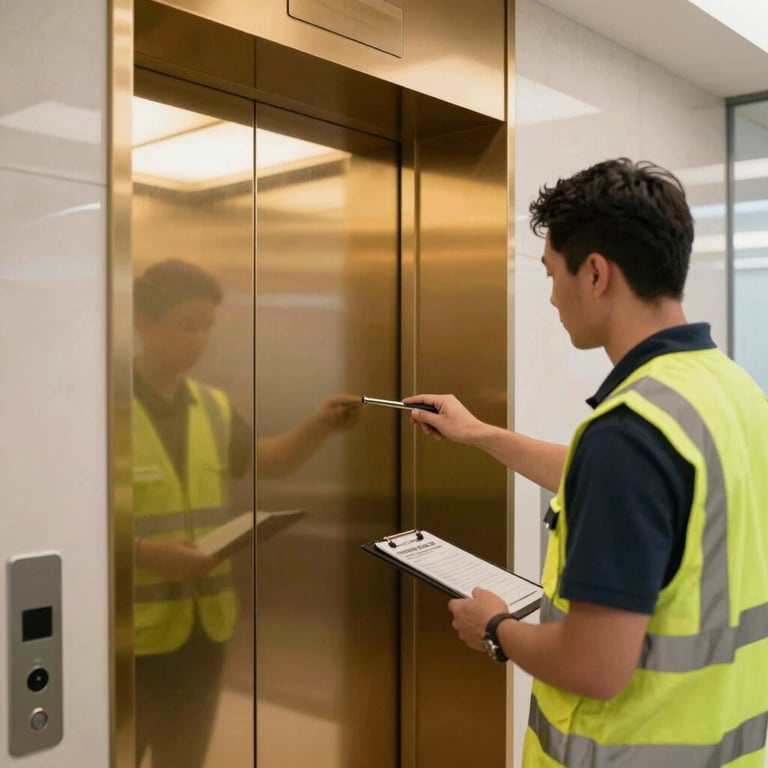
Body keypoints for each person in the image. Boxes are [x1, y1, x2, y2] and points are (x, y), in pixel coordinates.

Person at [405, 159, 768, 767]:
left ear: (595, 273)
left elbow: (594, 666)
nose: (550, 295)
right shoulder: (732, 393)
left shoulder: (629, 433)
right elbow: (637, 489)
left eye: (551, 272)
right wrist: (479, 434)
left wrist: (496, 629)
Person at [132, 259, 360, 768]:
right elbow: (71, 519)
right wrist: (143, 553)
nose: (197, 339)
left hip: (204, 630)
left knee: (183, 757)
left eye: (206, 326)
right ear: (143, 322)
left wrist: (318, 426)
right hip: (130, 634)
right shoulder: (107, 409)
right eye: (184, 324)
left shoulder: (210, 406)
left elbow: (267, 461)